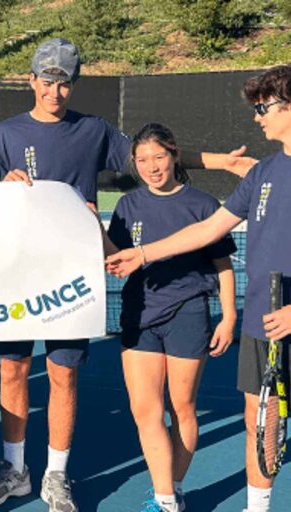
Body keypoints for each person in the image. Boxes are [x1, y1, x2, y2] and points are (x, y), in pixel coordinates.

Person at [0, 37, 258, 510]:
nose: (55, 92)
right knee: (12, 370)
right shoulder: (5, 133)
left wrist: (219, 161)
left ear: (73, 85)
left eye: (64, 84)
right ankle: (15, 469)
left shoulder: (95, 131)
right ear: (31, 81)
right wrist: (1, 187)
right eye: (47, 81)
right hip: (18, 275)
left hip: (70, 279)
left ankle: (55, 476)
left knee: (62, 375)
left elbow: (157, 155)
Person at [107, 65, 291, 512]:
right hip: (261, 319)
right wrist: (143, 254)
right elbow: (208, 230)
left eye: (263, 108)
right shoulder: (262, 172)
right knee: (258, 420)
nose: (256, 118)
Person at [107, 123, 236, 512]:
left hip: (188, 314)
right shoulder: (127, 206)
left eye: (159, 157)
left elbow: (223, 266)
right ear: (134, 163)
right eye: (143, 160)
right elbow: (114, 256)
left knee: (182, 407)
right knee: (145, 410)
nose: (152, 167)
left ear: (175, 155)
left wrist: (228, 316)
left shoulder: (203, 205)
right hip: (139, 315)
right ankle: (166, 500)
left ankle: (174, 487)